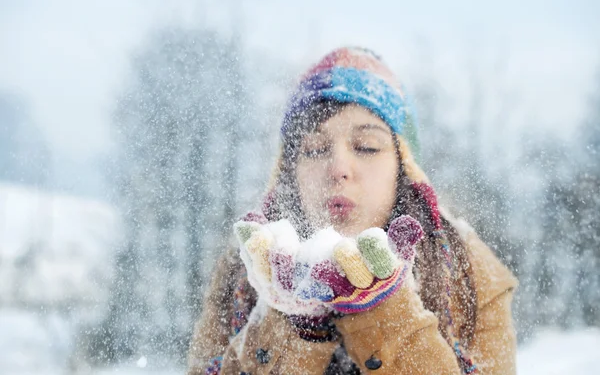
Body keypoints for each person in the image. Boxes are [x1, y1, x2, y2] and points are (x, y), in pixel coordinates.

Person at [186, 47, 518, 374]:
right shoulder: (243, 268)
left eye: (366, 146)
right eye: (315, 149)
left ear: (404, 167)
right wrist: (294, 323)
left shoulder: (468, 268)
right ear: (289, 172)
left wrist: (384, 313)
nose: (339, 167)